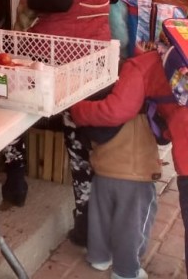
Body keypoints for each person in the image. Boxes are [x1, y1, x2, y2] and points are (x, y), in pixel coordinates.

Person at [2, 0, 118, 249]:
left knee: (11, 95)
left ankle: (15, 180)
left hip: (61, 49)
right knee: (75, 128)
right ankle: (85, 220)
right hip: (94, 48)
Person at [71, 47, 188, 272]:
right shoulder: (145, 100)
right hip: (137, 178)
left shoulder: (98, 109)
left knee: (100, 218)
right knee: (134, 225)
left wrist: (77, 109)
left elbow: (112, 111)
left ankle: (98, 257)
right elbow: (160, 133)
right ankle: (126, 271)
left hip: (103, 171)